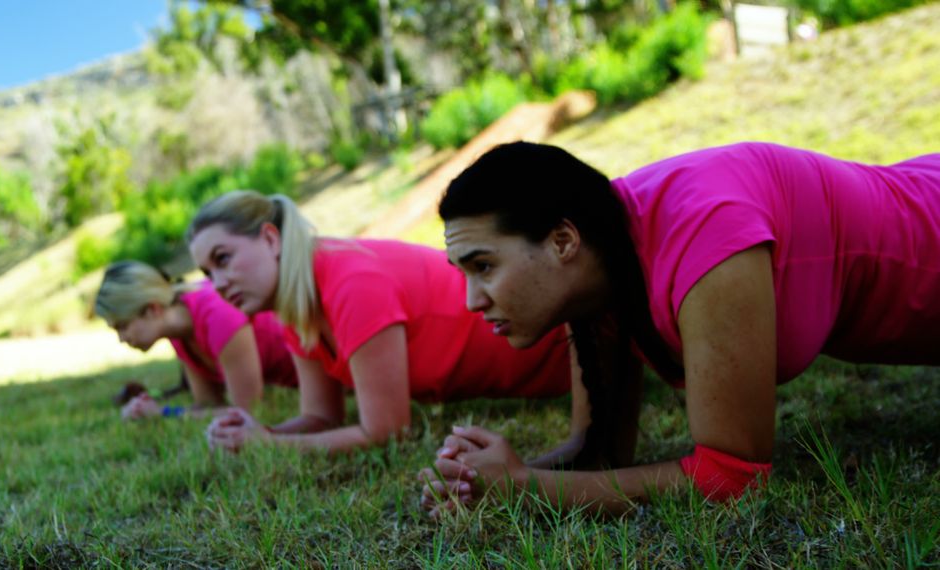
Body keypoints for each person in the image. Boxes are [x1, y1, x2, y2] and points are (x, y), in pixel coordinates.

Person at [420, 141, 940, 515]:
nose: (471, 300)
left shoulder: (707, 237)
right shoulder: (599, 266)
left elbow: (732, 478)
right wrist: (484, 478)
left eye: (483, 266)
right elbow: (599, 454)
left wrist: (523, 487)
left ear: (562, 242)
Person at [187, 191, 579, 456]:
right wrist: (261, 432)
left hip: (564, 358)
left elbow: (387, 431)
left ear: (271, 240)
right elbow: (323, 417)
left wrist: (269, 446)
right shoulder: (297, 308)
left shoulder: (350, 281)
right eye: (207, 271)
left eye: (223, 259)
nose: (216, 284)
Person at [94, 260, 297, 419]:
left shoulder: (217, 314)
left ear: (152, 310)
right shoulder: (178, 333)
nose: (121, 339)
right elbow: (208, 404)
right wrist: (149, 409)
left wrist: (163, 413)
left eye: (122, 326)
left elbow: (248, 411)